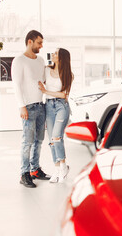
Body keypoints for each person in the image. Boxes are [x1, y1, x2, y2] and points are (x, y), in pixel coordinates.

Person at [12, 30, 50, 188]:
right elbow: (16, 85)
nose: (41, 45)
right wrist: (21, 106)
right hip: (27, 106)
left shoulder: (40, 60)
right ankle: (24, 173)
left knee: (39, 141)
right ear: (30, 42)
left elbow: (44, 81)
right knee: (27, 142)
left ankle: (35, 170)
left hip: (41, 105)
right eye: (39, 42)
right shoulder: (19, 61)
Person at [38, 48, 73, 183]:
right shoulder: (46, 70)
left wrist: (46, 91)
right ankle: (57, 169)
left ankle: (63, 167)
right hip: (48, 106)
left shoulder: (69, 74)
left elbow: (64, 94)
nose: (53, 54)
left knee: (56, 136)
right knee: (52, 140)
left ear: (62, 58)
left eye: (56, 53)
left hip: (61, 106)